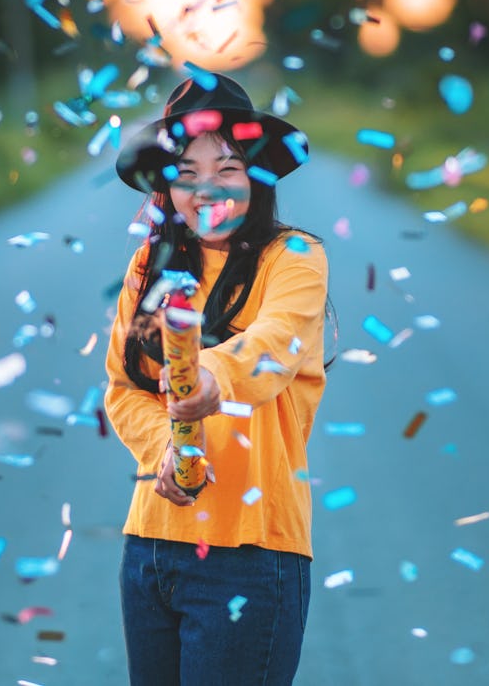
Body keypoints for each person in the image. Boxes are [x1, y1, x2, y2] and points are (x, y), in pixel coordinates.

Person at [104, 72, 330, 686]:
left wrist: (210, 382)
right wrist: (170, 457)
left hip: (252, 556)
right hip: (151, 544)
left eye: (229, 169)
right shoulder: (148, 266)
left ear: (257, 176)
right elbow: (124, 389)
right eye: (186, 171)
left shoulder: (296, 259)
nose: (208, 188)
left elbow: (272, 347)